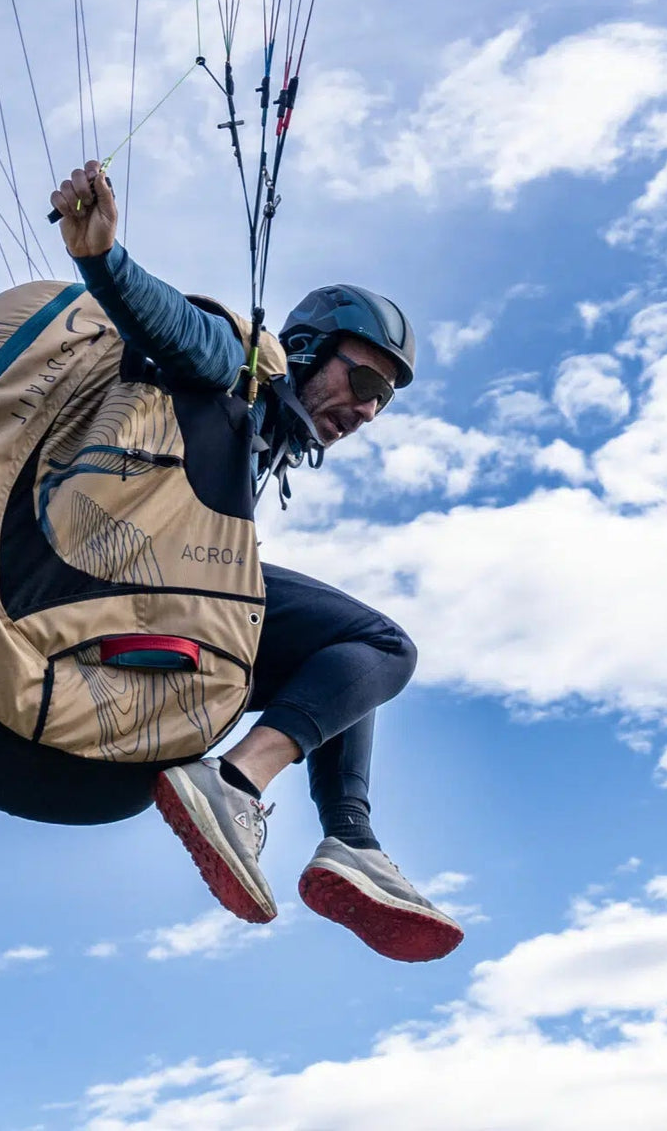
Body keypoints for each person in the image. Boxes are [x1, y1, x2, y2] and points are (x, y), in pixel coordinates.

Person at [46, 163, 462, 964]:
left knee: (343, 658)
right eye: (364, 376)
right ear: (304, 350)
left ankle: (353, 838)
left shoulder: (263, 437)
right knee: (384, 647)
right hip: (119, 588)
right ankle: (233, 784)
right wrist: (103, 260)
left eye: (387, 399)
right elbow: (171, 326)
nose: (369, 408)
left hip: (143, 600)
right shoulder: (240, 369)